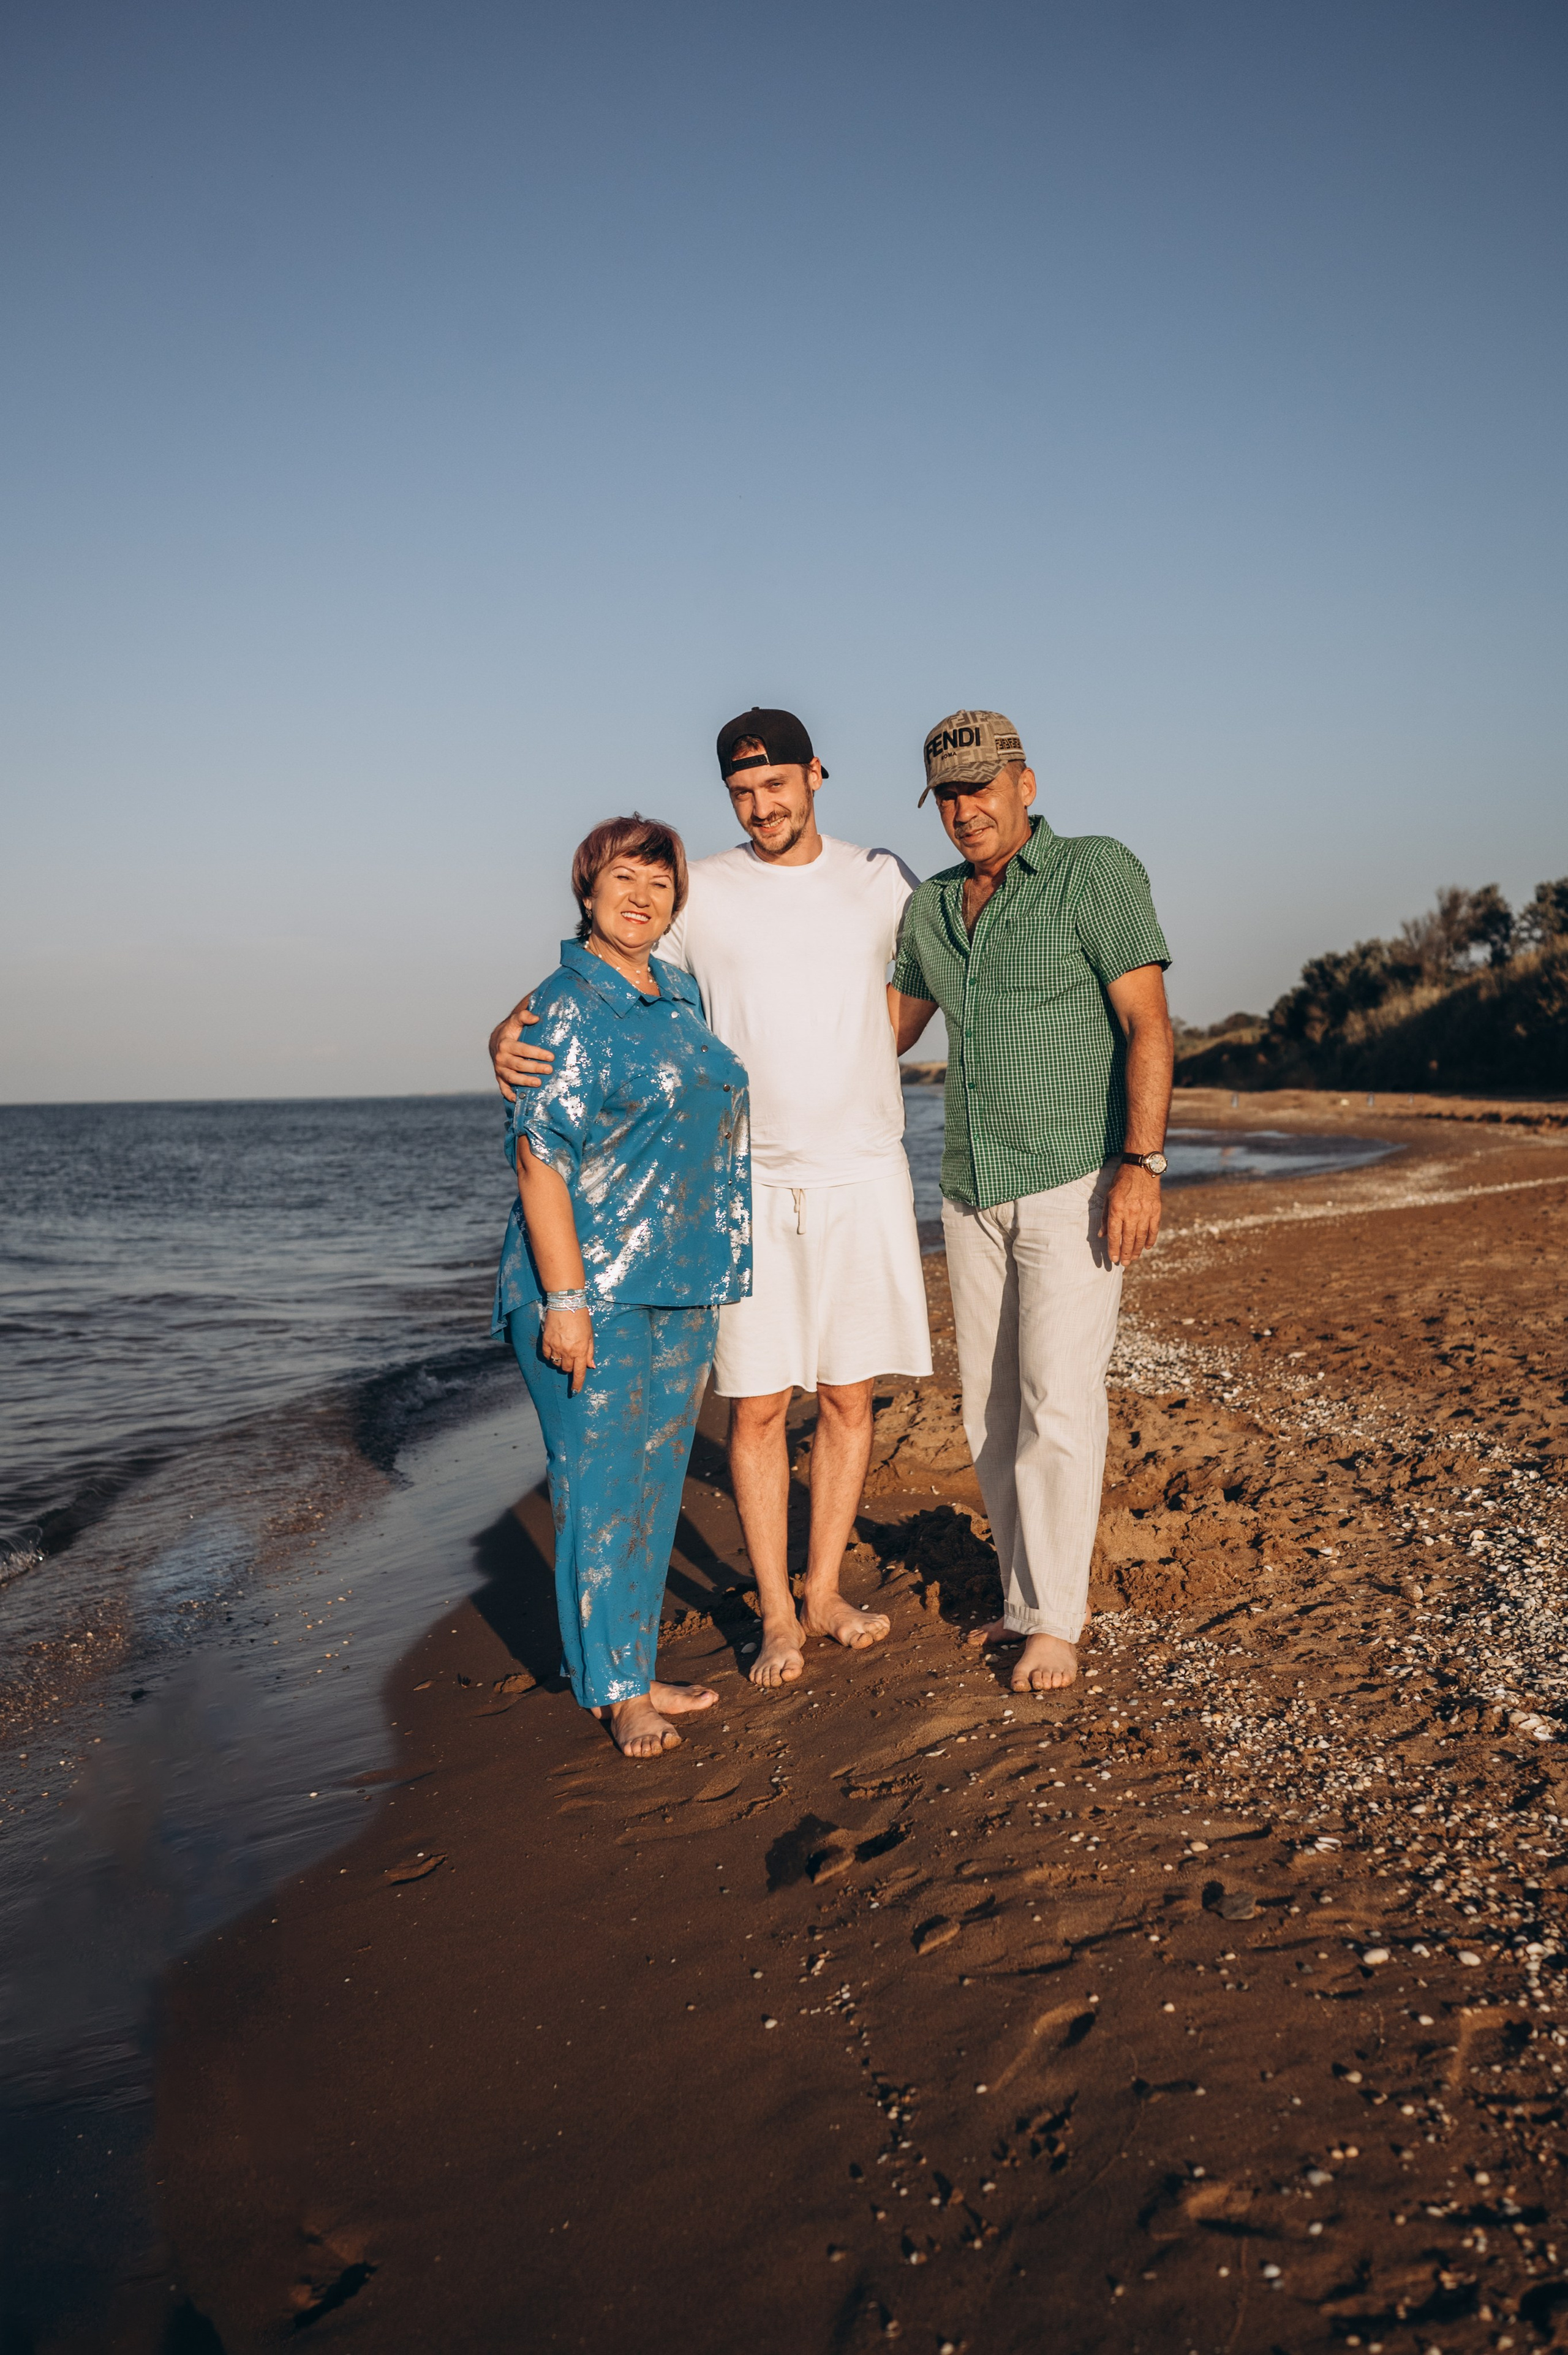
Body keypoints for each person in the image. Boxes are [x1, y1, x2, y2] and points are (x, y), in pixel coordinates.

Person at [490, 708, 931, 1690]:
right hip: (745, 1185)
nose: (760, 805)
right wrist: (501, 1037)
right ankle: (777, 1615)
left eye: (776, 785)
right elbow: (608, 966)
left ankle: (825, 1591)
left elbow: (925, 983)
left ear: (815, 774)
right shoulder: (702, 895)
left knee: (852, 1397)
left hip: (863, 1168)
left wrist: (875, 1040)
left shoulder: (883, 879)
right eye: (741, 792)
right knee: (761, 1406)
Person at [889, 711, 1174, 1695]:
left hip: (1077, 1179)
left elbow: (1147, 1023)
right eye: (950, 795)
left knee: (1059, 1397)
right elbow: (879, 1031)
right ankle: (1024, 1598)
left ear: (1026, 783)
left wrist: (1142, 1162)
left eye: (983, 787)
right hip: (970, 1187)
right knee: (992, 1409)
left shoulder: (1095, 872)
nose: (967, 810)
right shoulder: (930, 908)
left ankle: (1055, 1620)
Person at [493, 814, 752, 1758]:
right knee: (600, 1492)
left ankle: (633, 1671)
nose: (641, 897)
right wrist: (566, 1302)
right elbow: (538, 1157)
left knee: (652, 1488)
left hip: (679, 1283)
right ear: (587, 894)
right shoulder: (567, 1006)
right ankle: (612, 1691)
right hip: (588, 1291)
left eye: (658, 881)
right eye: (622, 879)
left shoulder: (676, 994)